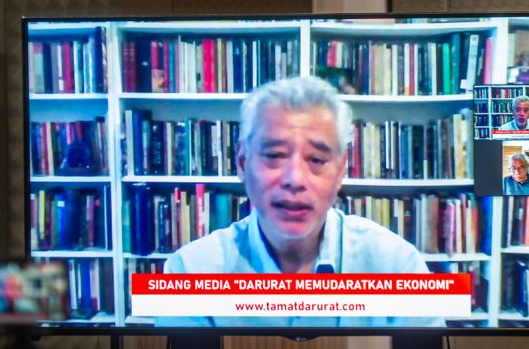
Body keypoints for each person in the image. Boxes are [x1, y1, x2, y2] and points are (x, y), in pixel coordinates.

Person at [162, 76, 440, 327]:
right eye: (274, 155)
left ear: (341, 171)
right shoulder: (190, 270)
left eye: (317, 160)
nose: (295, 179)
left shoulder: (396, 265)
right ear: (243, 162)